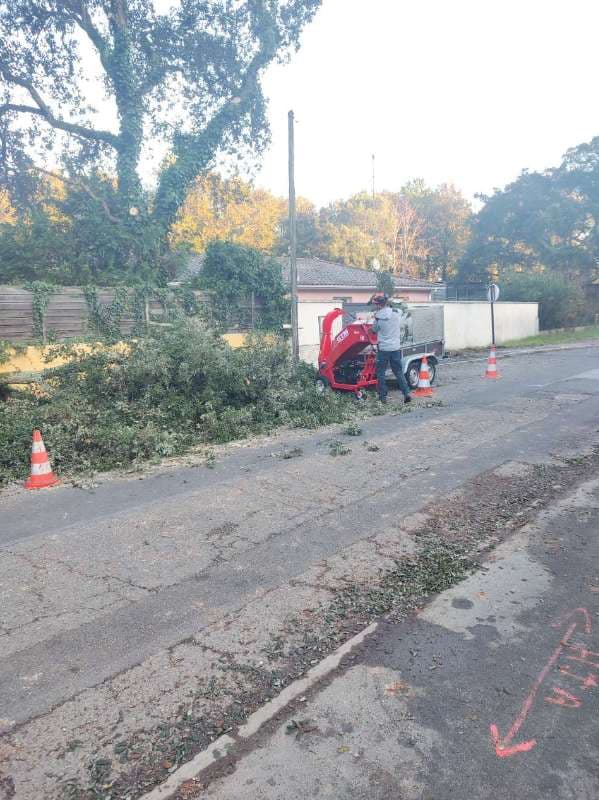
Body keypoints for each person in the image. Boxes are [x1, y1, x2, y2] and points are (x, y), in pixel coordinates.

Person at [370, 294, 412, 404]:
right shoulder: (396, 313)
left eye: (376, 304)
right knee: (398, 372)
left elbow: (373, 330)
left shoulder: (378, 318)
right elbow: (402, 313)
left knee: (381, 373)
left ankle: (383, 397)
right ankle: (406, 393)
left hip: (384, 349)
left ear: (379, 305)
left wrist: (373, 322)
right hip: (396, 348)